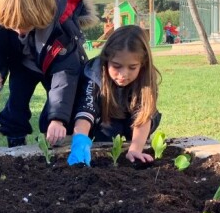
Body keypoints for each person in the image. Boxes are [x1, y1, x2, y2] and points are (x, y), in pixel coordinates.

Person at [0, 0, 95, 147]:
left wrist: (57, 118)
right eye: (12, 26)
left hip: (56, 64)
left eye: (25, 25)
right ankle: (15, 141)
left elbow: (65, 73)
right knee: (16, 105)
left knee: (57, 113)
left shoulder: (62, 25)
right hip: (22, 63)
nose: (19, 31)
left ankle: (55, 137)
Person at [68, 25, 162, 165]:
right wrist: (80, 141)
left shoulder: (146, 77)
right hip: (106, 117)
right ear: (106, 60)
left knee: (139, 127)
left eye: (132, 67)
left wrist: (136, 149)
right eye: (117, 66)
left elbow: (143, 116)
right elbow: (86, 110)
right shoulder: (93, 73)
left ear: (142, 64)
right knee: (107, 133)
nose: (123, 74)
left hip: (134, 120)